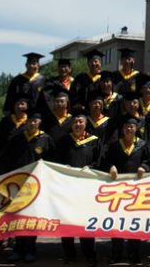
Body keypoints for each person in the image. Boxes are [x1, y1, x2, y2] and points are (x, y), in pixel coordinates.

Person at [0, 111, 55, 263]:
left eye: (35, 121)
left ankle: (30, 250)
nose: (32, 123)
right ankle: (18, 249)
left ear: (39, 123)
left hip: (35, 186)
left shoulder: (45, 139)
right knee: (17, 217)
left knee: (31, 217)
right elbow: (4, 156)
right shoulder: (18, 139)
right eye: (29, 121)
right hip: (18, 185)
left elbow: (53, 161)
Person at [101, 117, 150, 265]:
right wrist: (110, 166)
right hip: (118, 191)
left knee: (134, 222)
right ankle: (116, 253)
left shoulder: (143, 145)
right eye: (126, 126)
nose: (129, 129)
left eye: (131, 126)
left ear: (136, 129)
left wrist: (144, 167)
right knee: (117, 222)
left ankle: (133, 253)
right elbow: (104, 161)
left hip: (136, 190)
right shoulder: (114, 146)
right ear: (122, 129)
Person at [56, 110, 101, 266]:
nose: (77, 124)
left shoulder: (94, 141)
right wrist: (63, 167)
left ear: (86, 124)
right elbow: (55, 161)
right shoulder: (64, 141)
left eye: (81, 122)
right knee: (67, 220)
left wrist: (91, 167)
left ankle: (90, 254)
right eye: (75, 122)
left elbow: (100, 161)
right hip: (67, 187)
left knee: (85, 221)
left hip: (86, 188)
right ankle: (69, 254)